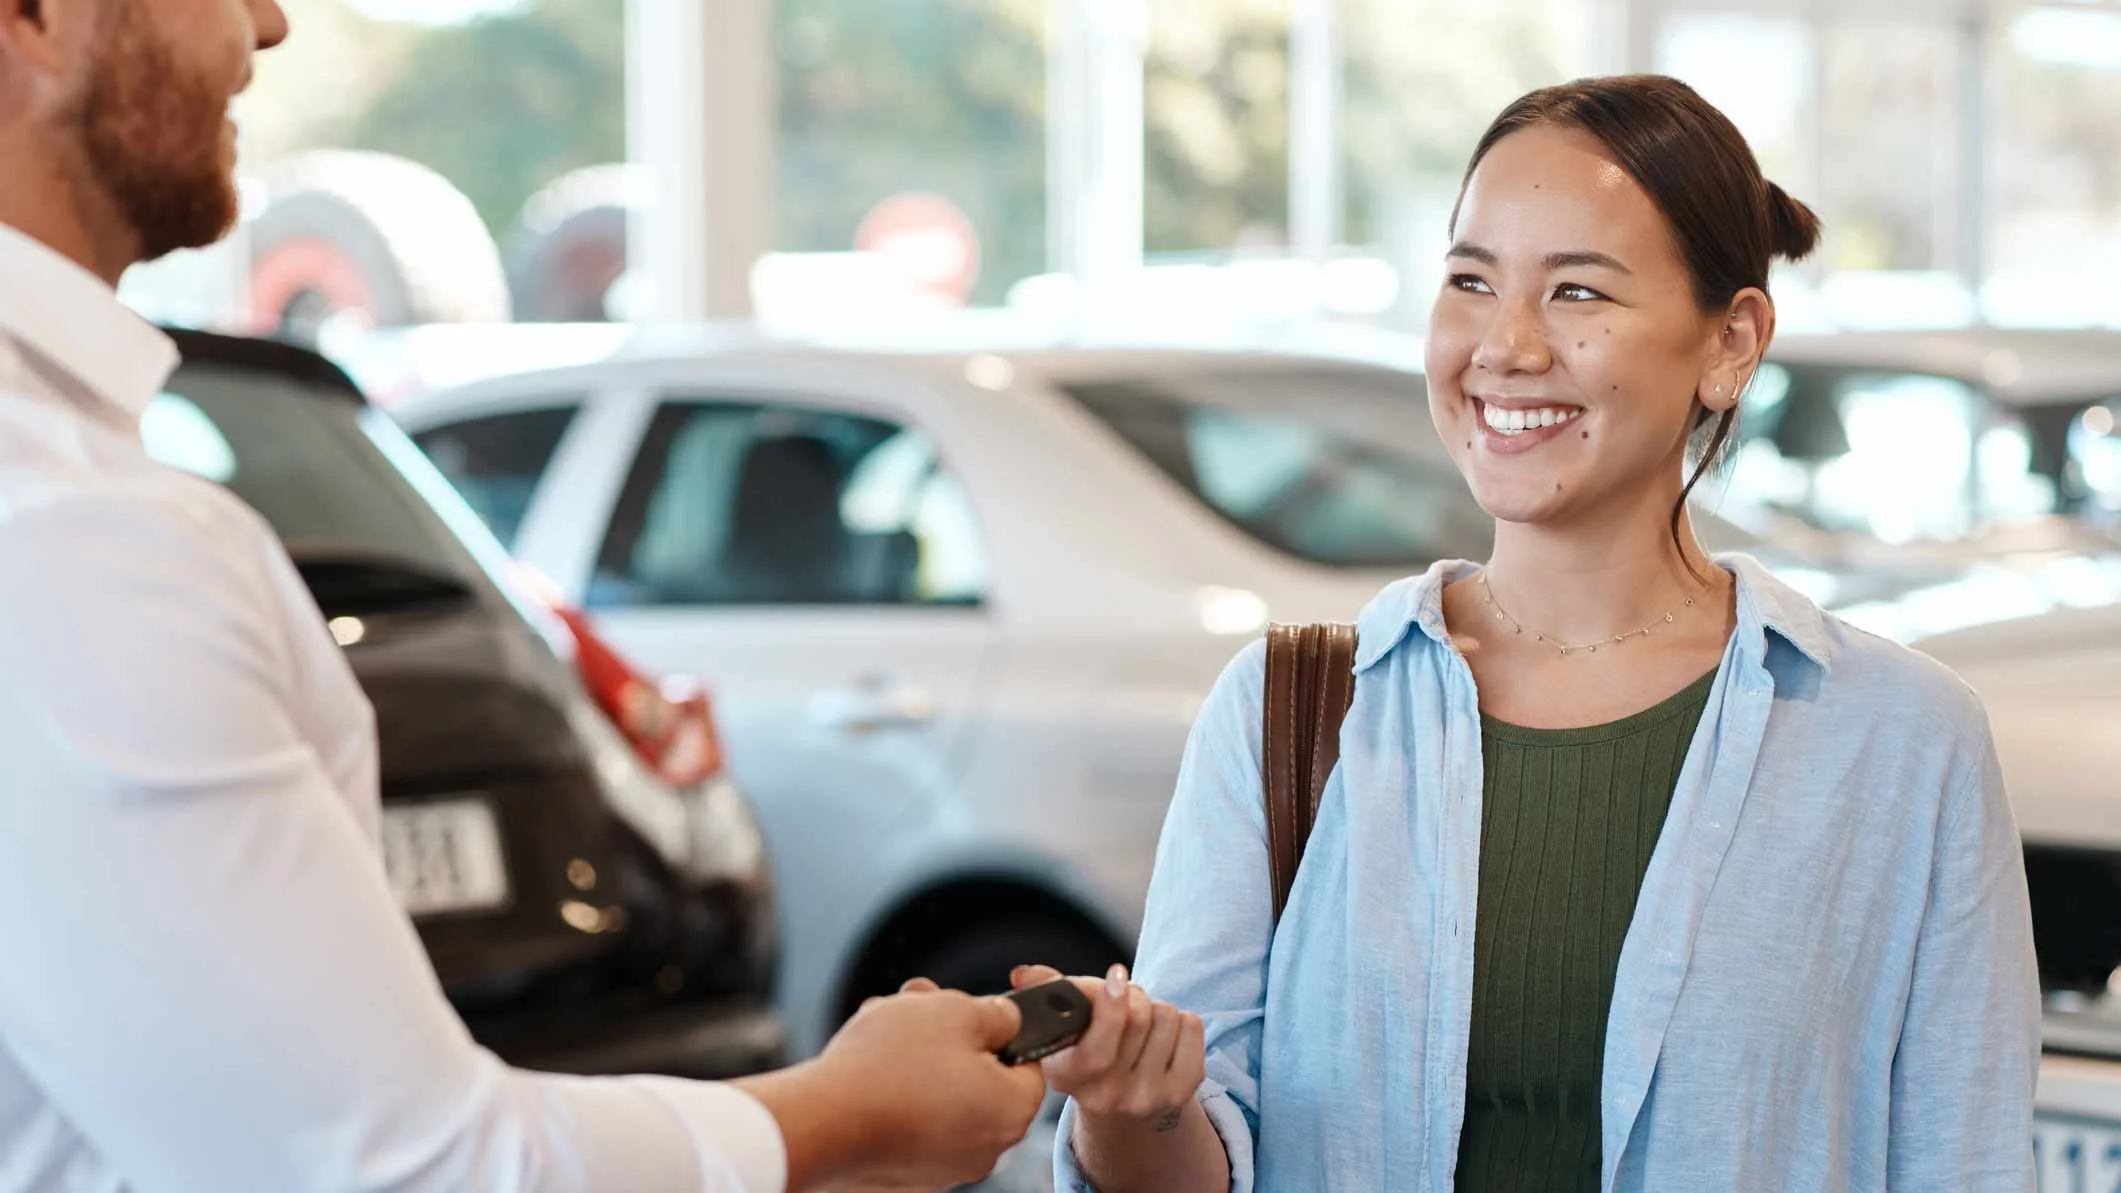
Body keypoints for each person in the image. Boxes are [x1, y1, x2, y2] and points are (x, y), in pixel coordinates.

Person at [0, 2, 1046, 1190]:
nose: (269, 22)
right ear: (35, 17)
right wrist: (844, 1115)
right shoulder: (71, 525)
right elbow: (396, 1168)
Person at [1023, 75, 2042, 1192]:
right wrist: (1133, 1108)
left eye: (1577, 293)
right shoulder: (1291, 710)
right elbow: (1186, 1165)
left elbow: (1968, 1160)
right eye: (1470, 279)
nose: (1504, 345)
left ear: (1731, 341)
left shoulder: (1902, 740)